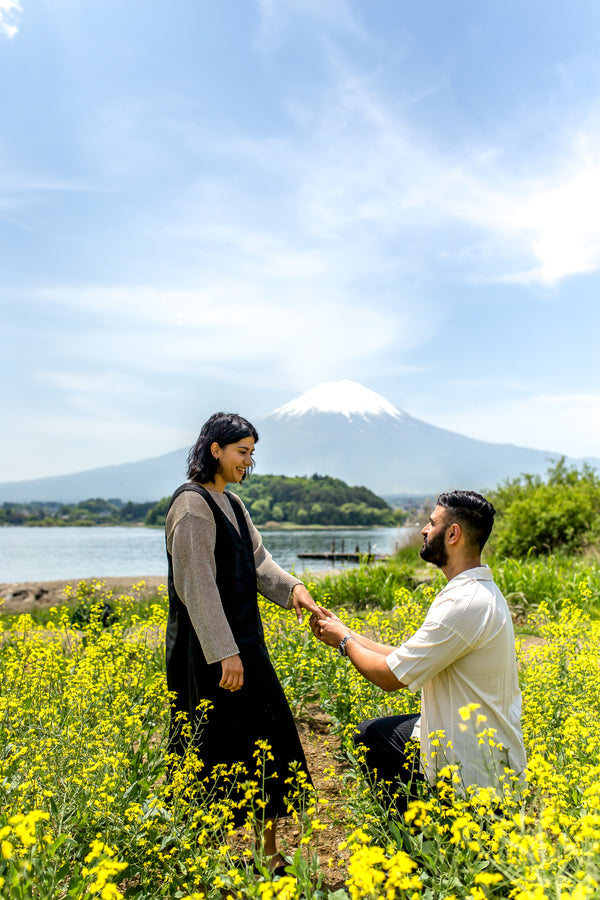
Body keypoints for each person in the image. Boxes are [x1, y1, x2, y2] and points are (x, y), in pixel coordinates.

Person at [165, 412, 324, 874]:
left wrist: (295, 590)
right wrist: (224, 653)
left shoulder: (233, 504)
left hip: (243, 645)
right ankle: (200, 861)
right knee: (210, 748)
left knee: (265, 740)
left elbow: (259, 563)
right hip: (207, 652)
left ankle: (268, 853)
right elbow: (196, 586)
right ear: (214, 449)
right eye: (242, 452)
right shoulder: (192, 505)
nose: (248, 462)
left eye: (252, 452)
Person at [310, 490, 527, 809]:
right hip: (472, 737)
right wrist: (348, 631)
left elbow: (390, 676)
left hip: (474, 765)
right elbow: (405, 657)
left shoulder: (464, 603)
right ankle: (419, 829)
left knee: (370, 738)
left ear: (453, 534)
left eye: (432, 523)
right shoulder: (476, 592)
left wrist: (343, 642)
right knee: (374, 733)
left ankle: (416, 846)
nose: (424, 530)